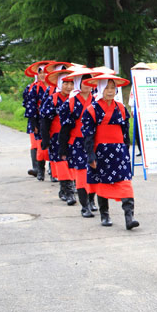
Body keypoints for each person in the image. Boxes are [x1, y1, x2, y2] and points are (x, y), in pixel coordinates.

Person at [81, 73, 140, 230]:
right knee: (102, 184)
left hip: (119, 152)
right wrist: (90, 155)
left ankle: (129, 217)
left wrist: (126, 149)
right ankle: (105, 214)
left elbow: (125, 131)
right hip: (101, 152)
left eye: (113, 88)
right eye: (106, 88)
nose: (110, 91)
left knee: (126, 183)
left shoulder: (121, 108)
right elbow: (87, 135)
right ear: (100, 89)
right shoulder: (91, 110)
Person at [59, 68, 102, 218]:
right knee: (82, 175)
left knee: (95, 172)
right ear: (79, 83)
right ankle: (84, 207)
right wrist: (63, 149)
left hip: (95, 142)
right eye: (84, 81)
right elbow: (64, 128)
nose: (87, 84)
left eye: (90, 81)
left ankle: (91, 200)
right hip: (77, 143)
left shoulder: (98, 101)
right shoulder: (70, 103)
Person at [40, 68, 76, 204]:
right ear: (59, 84)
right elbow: (44, 120)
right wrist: (45, 139)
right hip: (56, 137)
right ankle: (68, 191)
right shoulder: (52, 99)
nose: (68, 86)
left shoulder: (76, 99)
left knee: (72, 163)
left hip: (73, 137)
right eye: (65, 83)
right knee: (61, 163)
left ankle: (67, 188)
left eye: (71, 83)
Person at [23, 61, 51, 179]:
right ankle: (38, 169)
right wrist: (34, 120)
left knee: (52, 144)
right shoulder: (33, 88)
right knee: (37, 144)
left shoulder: (54, 88)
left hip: (50, 119)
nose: (43, 75)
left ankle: (52, 169)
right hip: (37, 119)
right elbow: (29, 104)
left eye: (46, 73)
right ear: (37, 74)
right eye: (41, 73)